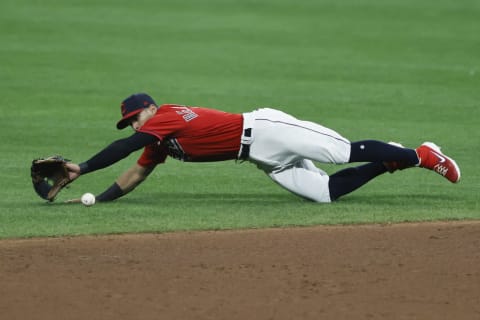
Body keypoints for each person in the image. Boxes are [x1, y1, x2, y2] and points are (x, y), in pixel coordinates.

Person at [65, 93, 461, 203]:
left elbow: (125, 146)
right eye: (131, 120)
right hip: (259, 156)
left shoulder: (165, 116)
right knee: (324, 193)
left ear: (151, 109)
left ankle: (422, 155)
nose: (136, 124)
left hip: (267, 130)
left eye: (137, 116)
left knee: (341, 151)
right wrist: (98, 200)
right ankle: (389, 159)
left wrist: (81, 168)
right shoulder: (159, 141)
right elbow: (134, 172)